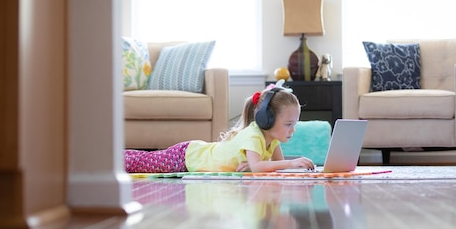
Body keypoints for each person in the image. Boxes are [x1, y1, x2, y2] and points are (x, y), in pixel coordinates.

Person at [124, 82, 315, 173]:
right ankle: (111, 160)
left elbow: (271, 168)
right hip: (187, 157)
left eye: (294, 124)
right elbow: (260, 167)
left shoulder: (272, 141)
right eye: (288, 124)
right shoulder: (254, 136)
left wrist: (298, 167)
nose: (293, 130)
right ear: (267, 119)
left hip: (194, 156)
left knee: (143, 161)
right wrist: (292, 163)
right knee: (141, 162)